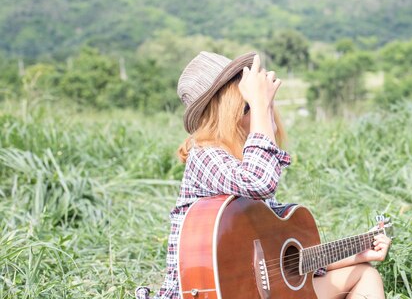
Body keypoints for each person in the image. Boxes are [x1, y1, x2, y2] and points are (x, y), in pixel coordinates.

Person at [135, 51, 391, 299]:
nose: (264, 113)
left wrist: (356, 252)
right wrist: (260, 105)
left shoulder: (245, 159)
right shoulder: (204, 155)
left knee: (364, 274)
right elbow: (259, 181)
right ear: (229, 110)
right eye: (249, 105)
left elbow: (280, 265)